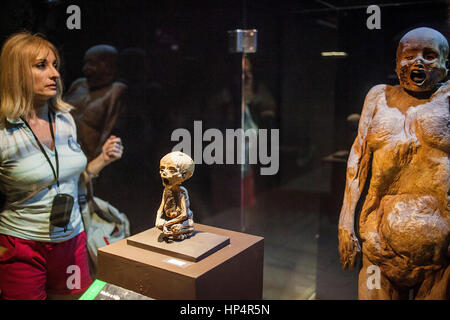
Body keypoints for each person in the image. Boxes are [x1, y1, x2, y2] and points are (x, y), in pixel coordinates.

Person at [0, 32, 123, 300]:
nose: (54, 73)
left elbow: (74, 179)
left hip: (73, 239)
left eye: (55, 65)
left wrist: (102, 159)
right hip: (22, 244)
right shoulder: (4, 132)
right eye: (41, 65)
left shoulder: (65, 118)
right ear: (17, 72)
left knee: (83, 298)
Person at [338, 27, 450, 299]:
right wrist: (345, 222)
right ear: (397, 62)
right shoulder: (378, 97)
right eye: (409, 55)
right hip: (378, 247)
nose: (418, 62)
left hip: (440, 254)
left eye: (429, 55)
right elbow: (358, 157)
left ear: (446, 64)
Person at [65, 44, 127, 161]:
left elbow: (109, 128)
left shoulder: (115, 90)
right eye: (86, 63)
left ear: (109, 65)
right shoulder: (78, 85)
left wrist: (98, 161)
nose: (87, 68)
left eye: (93, 63)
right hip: (66, 152)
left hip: (91, 156)